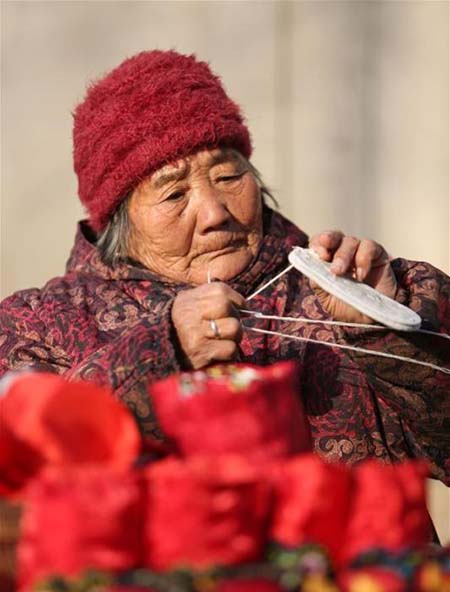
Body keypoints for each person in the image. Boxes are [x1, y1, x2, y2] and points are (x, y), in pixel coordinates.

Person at [0, 50, 449, 482]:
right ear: (119, 220)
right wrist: (161, 352)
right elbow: (25, 468)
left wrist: (392, 328)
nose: (215, 212)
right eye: (174, 194)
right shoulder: (38, 327)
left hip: (370, 561)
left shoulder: (356, 282)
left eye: (229, 177)